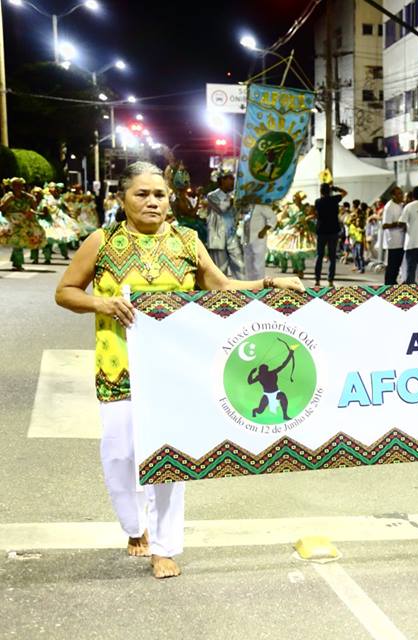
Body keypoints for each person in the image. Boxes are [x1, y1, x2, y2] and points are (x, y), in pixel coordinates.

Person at [53, 162, 303, 579]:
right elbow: (65, 291)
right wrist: (101, 303)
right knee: (120, 454)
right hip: (118, 367)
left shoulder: (187, 240)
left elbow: (221, 287)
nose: (152, 201)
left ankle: (164, 547)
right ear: (122, 199)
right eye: (142, 194)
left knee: (167, 457)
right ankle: (135, 526)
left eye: (160, 195)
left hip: (171, 372)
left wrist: (268, 284)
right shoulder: (102, 241)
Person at [1, 177, 45, 271]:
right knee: (17, 242)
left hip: (23, 222)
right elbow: (1, 208)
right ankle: (17, 263)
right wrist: (8, 201)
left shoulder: (27, 197)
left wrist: (32, 199)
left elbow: (34, 208)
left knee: (18, 242)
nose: (18, 187)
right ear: (12, 186)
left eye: (20, 185)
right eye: (15, 185)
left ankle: (17, 263)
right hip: (11, 221)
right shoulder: (8, 196)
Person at [206, 170, 244, 278]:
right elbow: (222, 208)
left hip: (231, 235)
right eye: (231, 179)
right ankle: (221, 288)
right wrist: (234, 200)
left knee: (240, 265)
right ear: (222, 180)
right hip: (218, 236)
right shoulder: (212, 196)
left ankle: (243, 287)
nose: (233, 182)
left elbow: (237, 213)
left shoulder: (232, 197)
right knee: (220, 269)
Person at [314, 182, 347, 287]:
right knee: (332, 256)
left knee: (319, 255)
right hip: (333, 230)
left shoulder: (318, 201)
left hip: (321, 230)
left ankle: (317, 279)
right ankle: (330, 280)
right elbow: (345, 192)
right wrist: (335, 188)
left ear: (321, 191)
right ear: (329, 191)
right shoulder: (334, 199)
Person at [243, 200, 277, 281]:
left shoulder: (262, 206)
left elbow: (273, 218)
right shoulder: (247, 207)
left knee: (258, 264)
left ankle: (259, 284)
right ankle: (250, 284)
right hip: (247, 238)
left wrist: (264, 230)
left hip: (258, 238)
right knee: (248, 264)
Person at [380, 186, 406, 285]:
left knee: (397, 267)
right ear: (393, 196)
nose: (401, 195)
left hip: (402, 241)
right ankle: (388, 285)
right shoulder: (389, 207)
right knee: (392, 267)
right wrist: (398, 224)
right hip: (393, 242)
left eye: (401, 193)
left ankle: (393, 284)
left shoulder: (402, 205)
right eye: (399, 194)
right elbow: (385, 225)